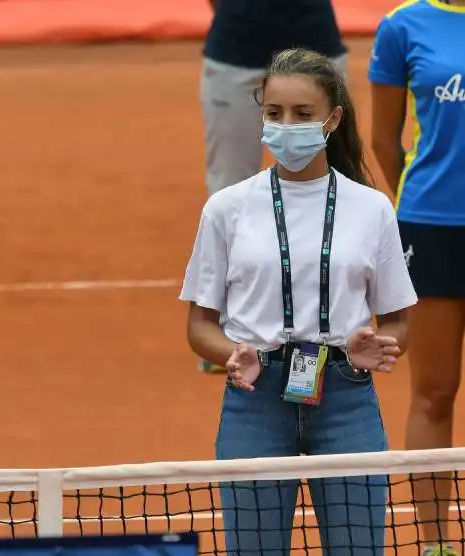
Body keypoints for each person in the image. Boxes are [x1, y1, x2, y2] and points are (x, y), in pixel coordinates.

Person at [180, 48, 418, 553]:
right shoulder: (226, 209)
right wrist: (230, 353)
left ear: (332, 119)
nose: (286, 126)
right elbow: (200, 325)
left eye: (302, 114)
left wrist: (378, 344)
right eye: (274, 114)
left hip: (347, 398)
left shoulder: (372, 209)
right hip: (255, 399)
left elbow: (397, 320)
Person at [197, 0, 348, 373]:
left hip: (316, 53)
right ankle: (227, 333)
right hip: (237, 52)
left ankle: (332, 326)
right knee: (228, 194)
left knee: (328, 188)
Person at [369, 1, 465, 554]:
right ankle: (435, 544)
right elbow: (386, 140)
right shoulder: (402, 26)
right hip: (431, 229)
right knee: (434, 393)